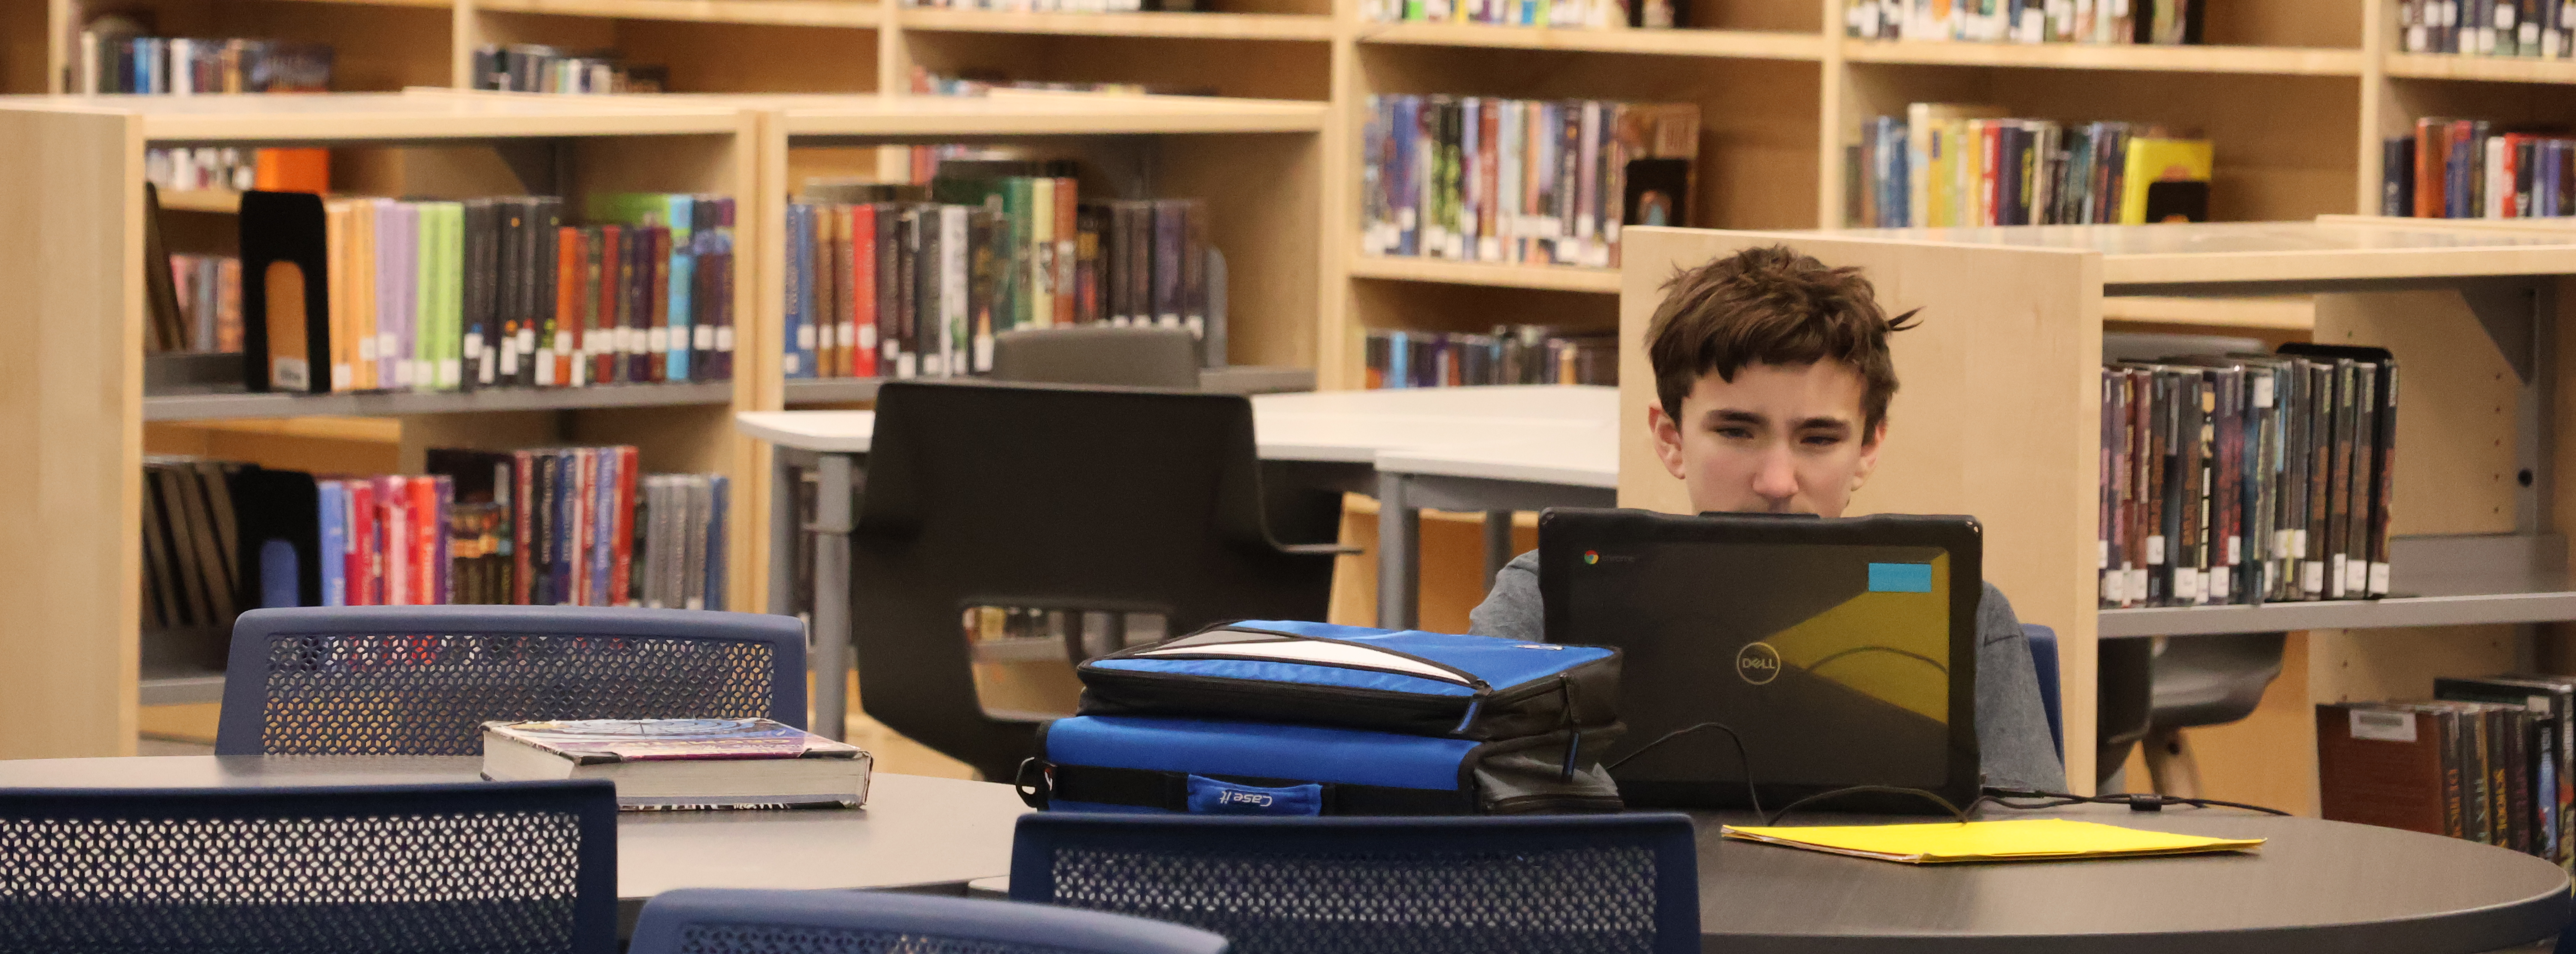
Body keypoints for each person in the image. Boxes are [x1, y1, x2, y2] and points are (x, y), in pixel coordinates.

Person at [1467, 244, 2068, 793]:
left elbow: (2024, 848)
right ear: (1671, 437)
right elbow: (1473, 811)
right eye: (1735, 431)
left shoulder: (1962, 612)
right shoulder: (1543, 601)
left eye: (1818, 438)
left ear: (1868, 449)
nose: (1777, 482)